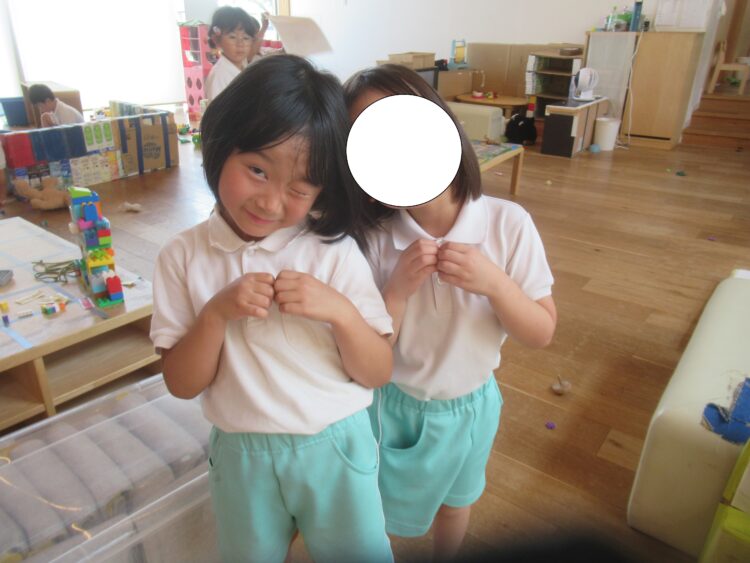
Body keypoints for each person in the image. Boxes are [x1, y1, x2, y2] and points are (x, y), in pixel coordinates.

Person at [150, 54, 394, 563]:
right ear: (221, 147)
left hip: (335, 444)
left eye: (299, 188)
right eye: (257, 171)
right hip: (243, 455)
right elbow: (182, 383)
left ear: (321, 190)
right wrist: (215, 315)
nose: (270, 201)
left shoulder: (332, 252)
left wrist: (341, 312)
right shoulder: (181, 257)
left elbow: (377, 371)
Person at [344, 64, 557, 562]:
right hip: (393, 405)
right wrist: (396, 293)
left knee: (457, 503)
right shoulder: (373, 241)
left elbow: (541, 331)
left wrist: (497, 285)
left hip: (472, 407)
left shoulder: (508, 224)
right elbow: (368, 353)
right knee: (374, 505)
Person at [204, 6, 269, 101]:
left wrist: (264, 27)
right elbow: (218, 110)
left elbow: (253, 50)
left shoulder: (242, 64)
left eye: (246, 38)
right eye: (232, 37)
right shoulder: (218, 77)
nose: (240, 44)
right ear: (217, 40)